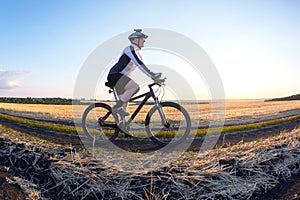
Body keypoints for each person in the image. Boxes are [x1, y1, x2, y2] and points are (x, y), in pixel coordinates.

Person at [107, 29, 162, 116]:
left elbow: (142, 67)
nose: (144, 41)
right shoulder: (129, 48)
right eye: (142, 39)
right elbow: (138, 63)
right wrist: (152, 75)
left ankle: (121, 125)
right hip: (115, 75)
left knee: (124, 103)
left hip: (121, 77)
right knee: (135, 87)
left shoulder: (138, 53)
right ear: (136, 39)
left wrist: (156, 77)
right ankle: (116, 107)